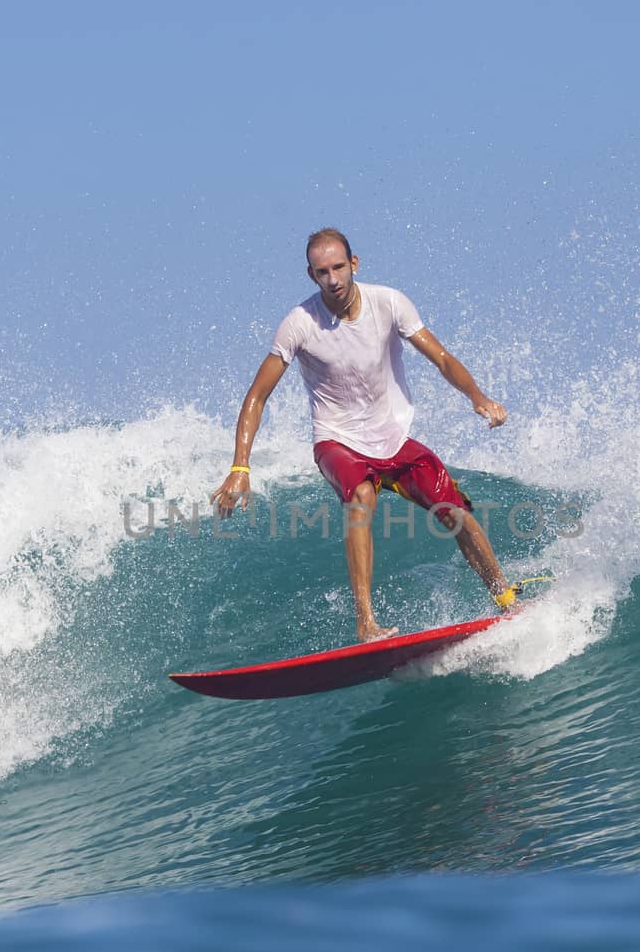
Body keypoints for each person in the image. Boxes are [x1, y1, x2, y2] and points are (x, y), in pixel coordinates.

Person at [210, 228, 516, 642]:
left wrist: (478, 397)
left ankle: (505, 599)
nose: (333, 279)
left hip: (392, 438)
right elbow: (257, 396)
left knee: (454, 511)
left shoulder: (388, 303)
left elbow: (441, 357)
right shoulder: (299, 324)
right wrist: (240, 466)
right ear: (311, 275)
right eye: (322, 272)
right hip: (338, 441)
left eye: (339, 267)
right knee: (362, 496)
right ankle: (366, 624)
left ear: (354, 263)